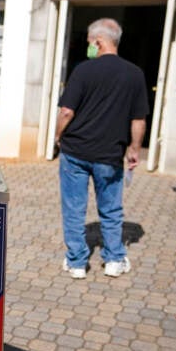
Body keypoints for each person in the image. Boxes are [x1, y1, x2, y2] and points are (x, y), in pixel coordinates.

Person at [54, 18, 149, 280]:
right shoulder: (134, 74)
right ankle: (114, 260)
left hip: (75, 152)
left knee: (74, 209)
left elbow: (66, 111)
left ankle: (76, 263)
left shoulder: (83, 71)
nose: (88, 47)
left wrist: (58, 136)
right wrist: (134, 148)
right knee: (111, 209)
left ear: (98, 41)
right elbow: (138, 119)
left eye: (89, 43)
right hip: (110, 154)